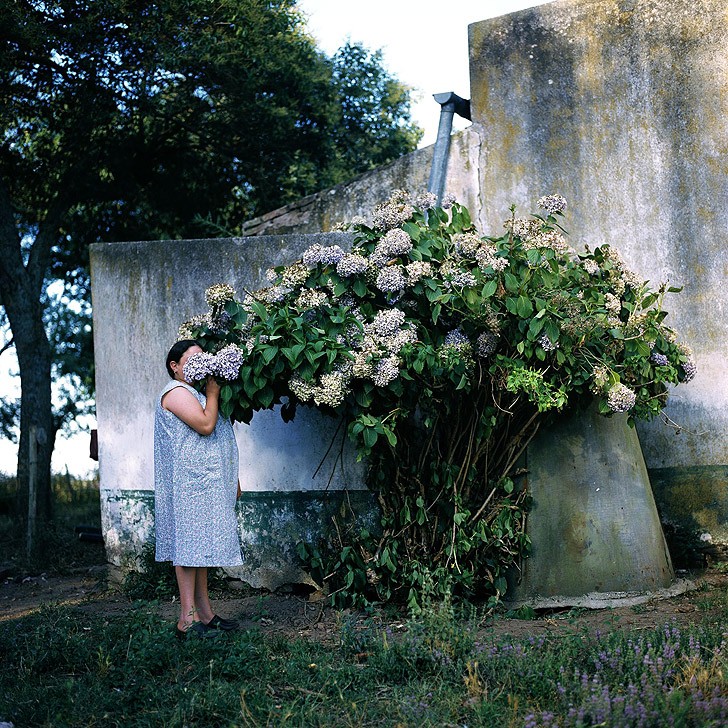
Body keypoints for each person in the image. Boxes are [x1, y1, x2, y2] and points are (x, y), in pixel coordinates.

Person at [154, 339, 243, 639]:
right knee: (188, 550)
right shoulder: (176, 392)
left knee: (200, 548)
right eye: (191, 360)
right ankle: (186, 620)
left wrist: (232, 478)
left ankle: (205, 614)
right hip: (187, 484)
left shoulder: (194, 393)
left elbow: (216, 438)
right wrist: (214, 392)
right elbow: (206, 425)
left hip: (203, 482)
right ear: (175, 366)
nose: (199, 365)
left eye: (202, 359)